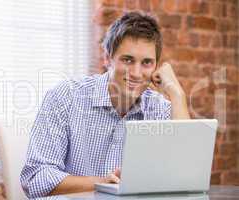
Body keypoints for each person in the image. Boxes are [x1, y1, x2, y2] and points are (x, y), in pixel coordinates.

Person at [20, 11, 190, 198]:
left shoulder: (160, 109)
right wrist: (102, 183)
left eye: (147, 63)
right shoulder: (66, 97)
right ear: (107, 58)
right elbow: (35, 178)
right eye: (127, 60)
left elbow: (184, 178)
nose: (136, 72)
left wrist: (177, 94)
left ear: (156, 66)